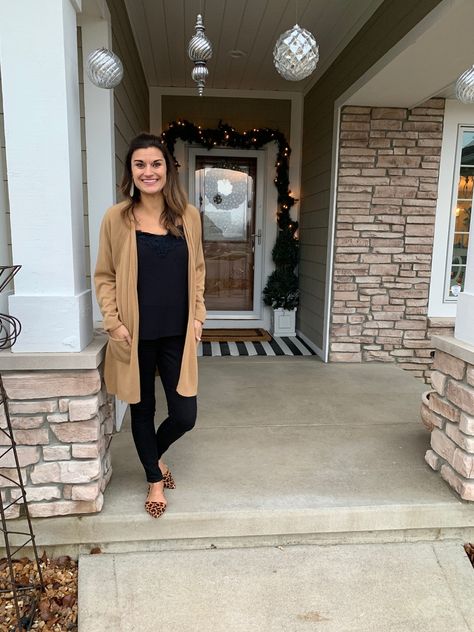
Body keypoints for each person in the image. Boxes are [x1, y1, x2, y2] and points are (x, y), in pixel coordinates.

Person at [94, 132, 206, 518]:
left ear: (168, 169)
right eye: (139, 164)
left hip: (177, 331)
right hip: (134, 334)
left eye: (155, 163)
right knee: (142, 410)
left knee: (184, 416)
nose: (148, 171)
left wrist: (197, 315)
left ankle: (152, 459)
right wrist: (114, 323)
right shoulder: (117, 217)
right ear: (130, 171)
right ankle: (154, 480)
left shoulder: (188, 216)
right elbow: (105, 276)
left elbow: (198, 270)